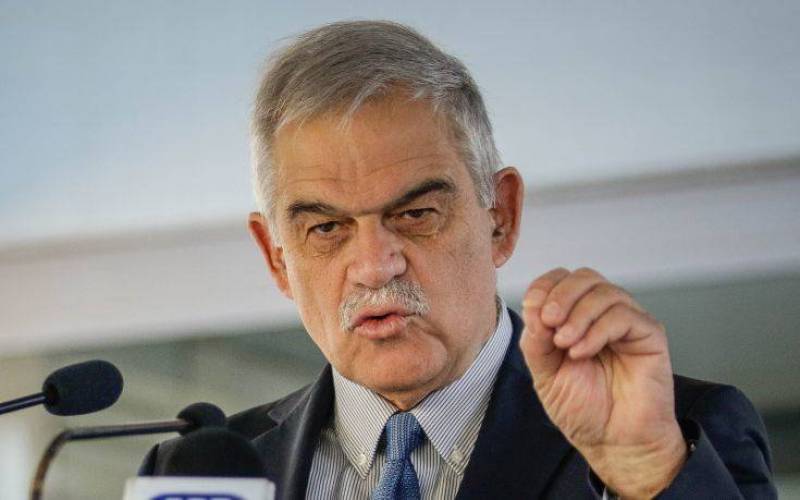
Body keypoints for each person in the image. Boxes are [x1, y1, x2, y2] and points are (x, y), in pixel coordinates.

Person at [141, 20, 776, 499]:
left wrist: (646, 471)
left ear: (501, 216)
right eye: (327, 228)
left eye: (416, 214)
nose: (375, 266)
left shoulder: (679, 434)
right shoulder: (201, 473)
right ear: (276, 258)